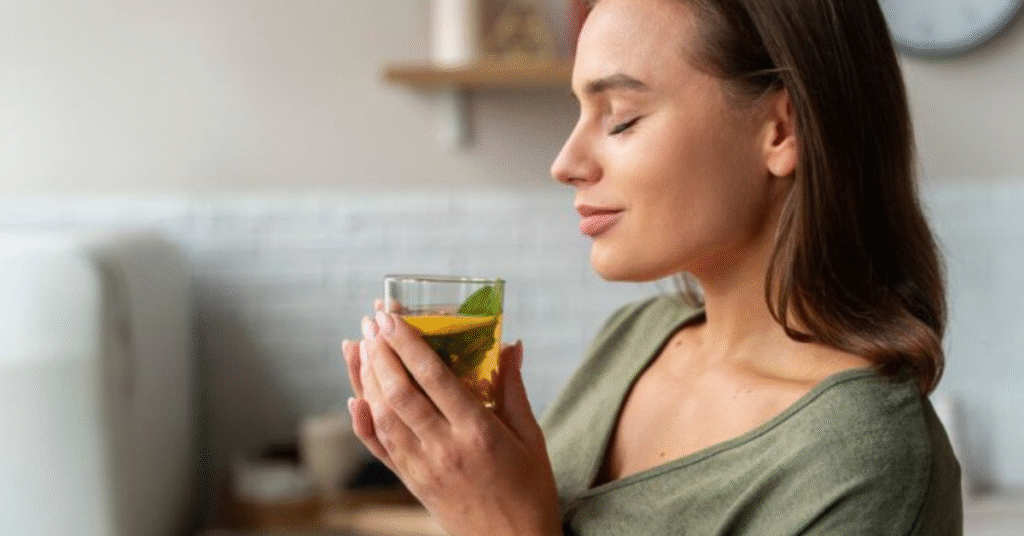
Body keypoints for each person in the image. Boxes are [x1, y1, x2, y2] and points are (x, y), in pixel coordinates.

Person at [341, 0, 963, 534]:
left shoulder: (864, 462)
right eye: (579, 113)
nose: (565, 162)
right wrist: (459, 485)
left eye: (621, 118)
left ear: (780, 130)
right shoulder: (636, 338)